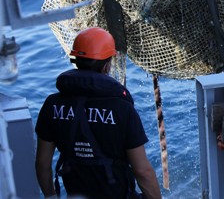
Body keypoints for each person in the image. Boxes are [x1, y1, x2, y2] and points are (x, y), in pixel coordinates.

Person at [35, 27, 161, 199]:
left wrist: (50, 195)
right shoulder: (122, 109)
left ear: (76, 59)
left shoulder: (53, 105)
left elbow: (42, 163)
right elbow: (142, 172)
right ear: (107, 64)